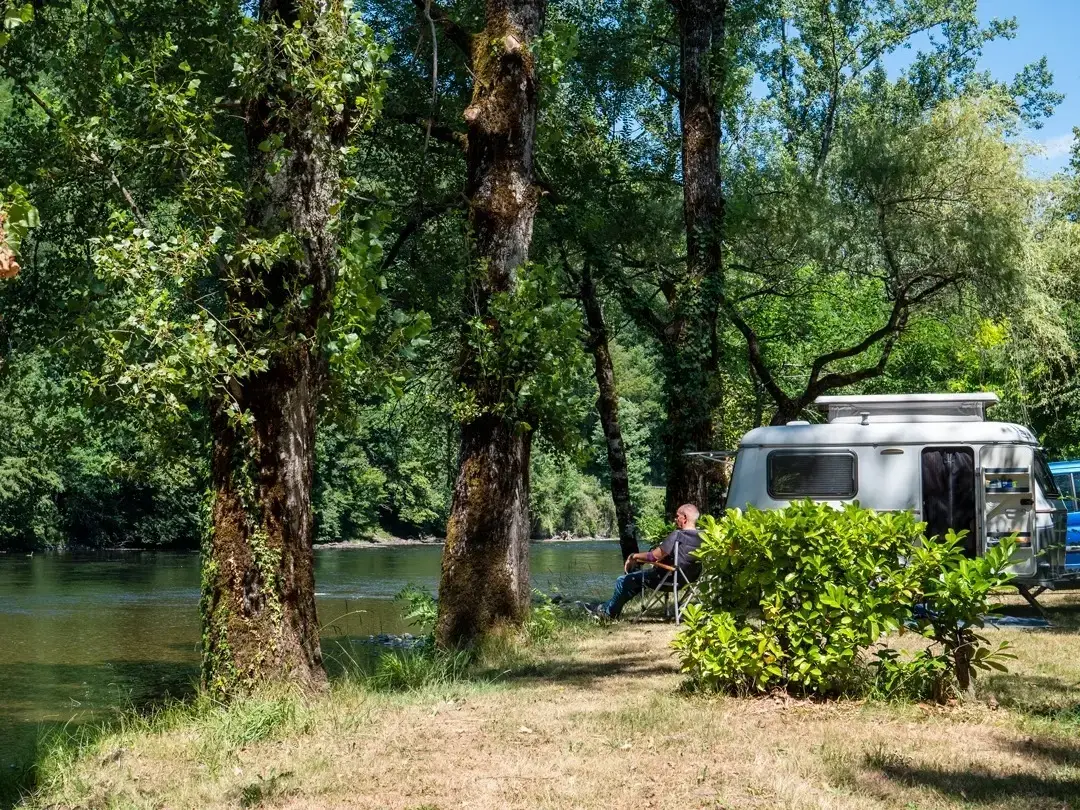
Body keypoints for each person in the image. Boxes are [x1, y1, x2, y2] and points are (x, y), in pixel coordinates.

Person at [595, 503, 702, 619]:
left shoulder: (678, 535)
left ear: (684, 518)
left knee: (623, 580)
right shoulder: (703, 536)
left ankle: (608, 614)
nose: (675, 519)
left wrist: (633, 556)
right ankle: (604, 608)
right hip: (689, 581)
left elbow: (653, 557)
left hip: (668, 580)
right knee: (634, 581)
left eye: (677, 516)